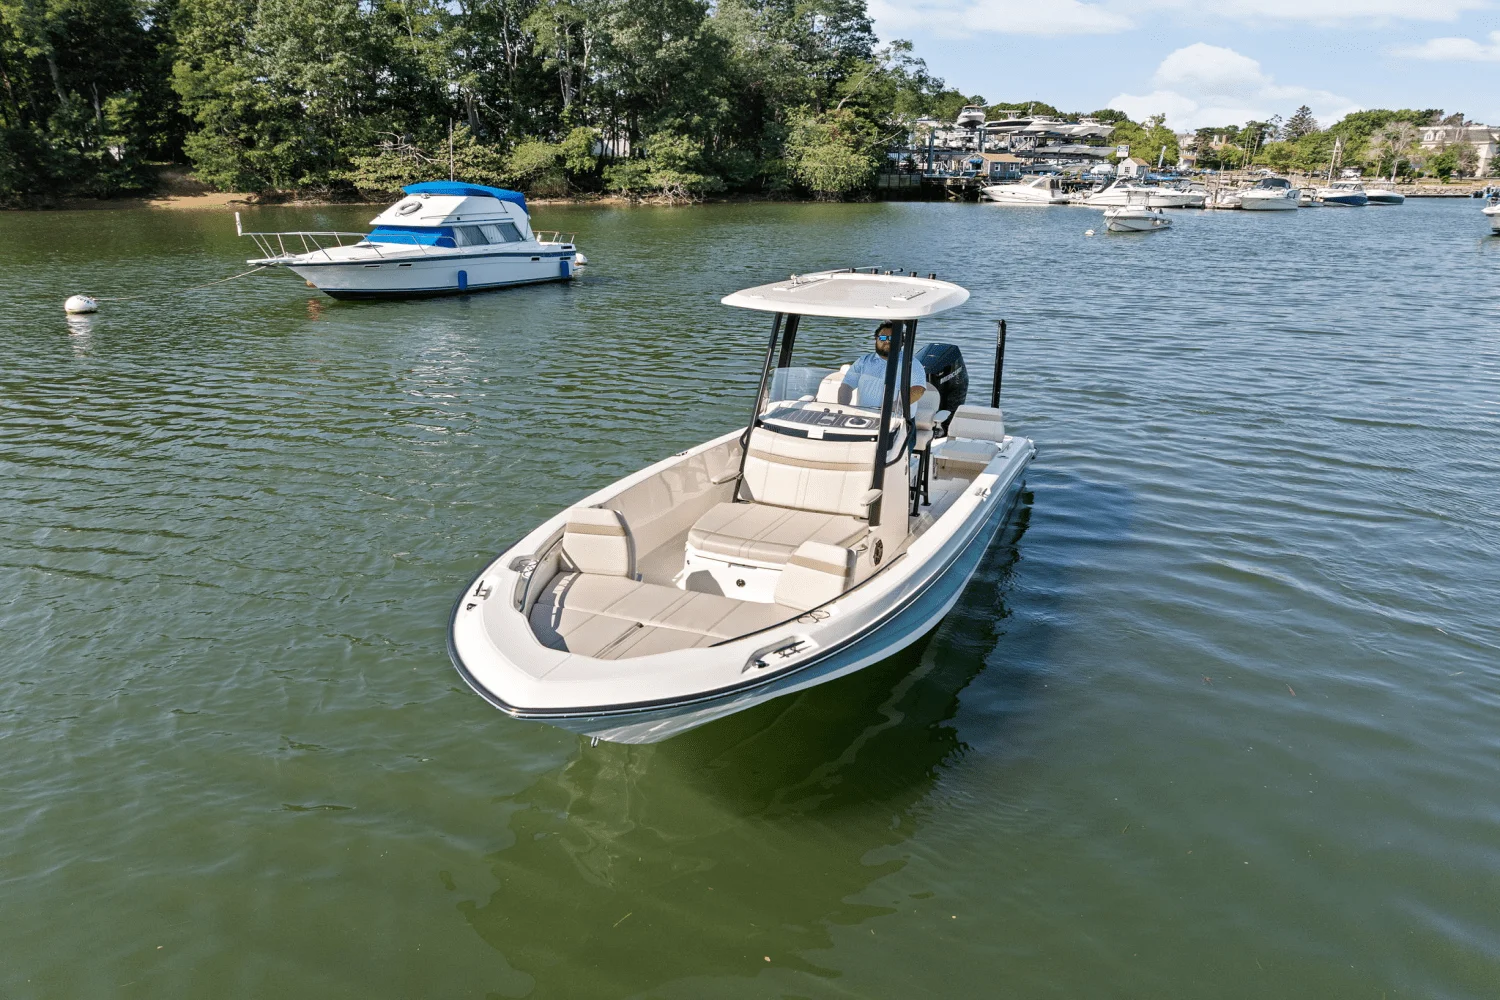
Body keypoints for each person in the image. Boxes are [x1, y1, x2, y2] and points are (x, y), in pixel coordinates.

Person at [842, 322, 925, 405]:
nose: (887, 341)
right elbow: (847, 386)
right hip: (864, 415)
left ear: (902, 342)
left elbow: (918, 389)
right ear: (876, 340)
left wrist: (895, 407)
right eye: (883, 337)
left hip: (896, 417)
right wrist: (843, 407)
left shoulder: (911, 363)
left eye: (892, 338)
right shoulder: (863, 361)